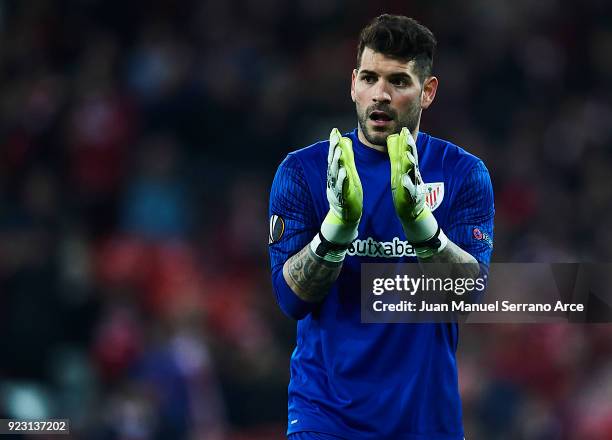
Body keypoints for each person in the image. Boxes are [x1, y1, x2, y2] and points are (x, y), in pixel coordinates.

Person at [268, 14, 494, 440]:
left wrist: (423, 229)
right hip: (325, 417)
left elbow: (469, 299)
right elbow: (290, 299)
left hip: (426, 421)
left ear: (428, 92)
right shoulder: (303, 171)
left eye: (399, 81)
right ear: (353, 83)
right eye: (370, 78)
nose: (381, 94)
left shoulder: (464, 173)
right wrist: (335, 230)